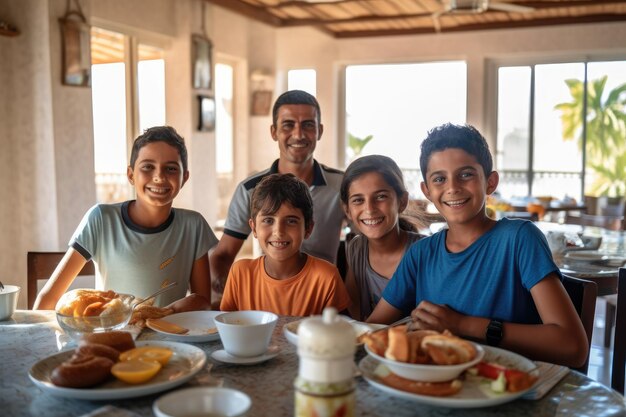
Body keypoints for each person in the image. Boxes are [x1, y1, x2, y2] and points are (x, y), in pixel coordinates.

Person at [367, 123, 589, 368]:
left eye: (466, 174)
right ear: (426, 190)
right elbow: (372, 330)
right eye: (439, 179)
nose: (452, 187)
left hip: (507, 390)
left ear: (490, 182)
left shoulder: (519, 239)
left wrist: (463, 325)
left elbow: (573, 347)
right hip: (437, 390)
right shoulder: (421, 254)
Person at [34, 126, 217, 312]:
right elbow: (50, 297)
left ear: (184, 177)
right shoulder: (101, 219)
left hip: (169, 337)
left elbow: (202, 302)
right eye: (148, 167)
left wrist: (164, 314)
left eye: (170, 168)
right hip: (109, 335)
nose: (159, 177)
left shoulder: (193, 226)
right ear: (131, 175)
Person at [210, 90, 345, 306]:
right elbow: (224, 254)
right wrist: (221, 299)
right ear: (274, 132)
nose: (299, 134)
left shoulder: (341, 186)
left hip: (322, 296)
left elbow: (365, 244)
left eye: (308, 125)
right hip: (270, 295)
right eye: (288, 125)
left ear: (319, 131)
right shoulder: (250, 189)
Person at [220, 173, 351, 316]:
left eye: (291, 221)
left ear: (308, 229)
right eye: (268, 220)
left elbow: (340, 331)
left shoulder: (326, 277)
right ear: (254, 228)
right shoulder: (240, 273)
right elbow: (227, 327)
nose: (279, 232)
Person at [340, 155, 424, 321]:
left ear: (402, 201)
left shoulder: (424, 250)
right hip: (369, 343)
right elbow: (354, 308)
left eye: (380, 197)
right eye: (358, 200)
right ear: (348, 210)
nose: (369, 209)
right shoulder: (356, 248)